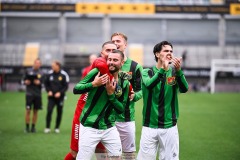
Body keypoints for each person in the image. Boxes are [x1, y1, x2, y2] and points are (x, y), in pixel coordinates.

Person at [74, 49, 132, 160]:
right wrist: (94, 84)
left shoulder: (124, 82)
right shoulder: (97, 72)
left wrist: (111, 95)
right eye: (109, 59)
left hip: (109, 126)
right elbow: (76, 89)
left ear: (122, 63)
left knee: (117, 158)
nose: (111, 62)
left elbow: (121, 109)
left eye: (115, 60)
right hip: (89, 125)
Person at [64, 41, 117, 160]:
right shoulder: (99, 64)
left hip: (102, 117)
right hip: (83, 113)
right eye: (107, 50)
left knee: (101, 152)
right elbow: (78, 88)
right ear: (101, 53)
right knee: (75, 152)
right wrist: (95, 83)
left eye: (113, 51)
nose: (110, 53)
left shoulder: (118, 67)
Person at [137, 41, 189, 160]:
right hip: (150, 126)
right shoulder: (147, 72)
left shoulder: (175, 73)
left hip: (169, 126)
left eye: (171, 51)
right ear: (157, 54)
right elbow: (149, 85)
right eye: (166, 51)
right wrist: (162, 70)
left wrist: (179, 71)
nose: (169, 53)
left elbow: (185, 89)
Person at [111, 32, 143, 159]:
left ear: (125, 45)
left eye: (118, 41)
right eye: (113, 41)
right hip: (106, 118)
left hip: (126, 117)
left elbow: (141, 90)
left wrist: (135, 96)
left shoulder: (135, 66)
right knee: (105, 155)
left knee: (128, 154)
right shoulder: (105, 64)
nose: (115, 44)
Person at [44, 61, 69, 133]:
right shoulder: (49, 74)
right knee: (49, 111)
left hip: (60, 97)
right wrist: (48, 91)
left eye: (53, 65)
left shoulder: (64, 75)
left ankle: (57, 128)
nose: (52, 67)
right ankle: (47, 127)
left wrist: (60, 93)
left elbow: (66, 86)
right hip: (51, 97)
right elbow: (46, 84)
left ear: (58, 66)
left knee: (59, 112)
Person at [23, 58, 44, 133]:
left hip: (38, 94)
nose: (37, 64)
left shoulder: (42, 73)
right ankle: (27, 127)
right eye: (36, 63)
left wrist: (39, 83)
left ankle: (33, 127)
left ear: (40, 64)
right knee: (28, 110)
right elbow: (23, 81)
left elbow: (44, 84)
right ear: (34, 63)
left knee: (35, 111)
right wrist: (26, 82)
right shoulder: (28, 71)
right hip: (29, 94)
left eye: (39, 63)